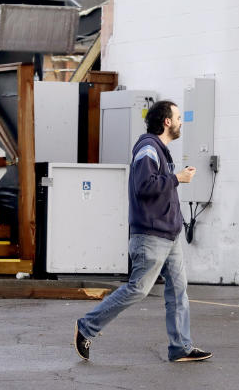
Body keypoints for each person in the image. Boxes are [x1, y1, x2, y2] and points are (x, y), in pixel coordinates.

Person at [74, 99, 212, 363]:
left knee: (178, 291)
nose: (182, 122)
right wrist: (177, 178)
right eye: (179, 117)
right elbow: (144, 186)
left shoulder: (159, 150)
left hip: (169, 236)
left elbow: (158, 187)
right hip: (151, 235)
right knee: (138, 289)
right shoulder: (148, 149)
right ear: (167, 121)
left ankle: (181, 347)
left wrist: (175, 179)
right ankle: (86, 326)